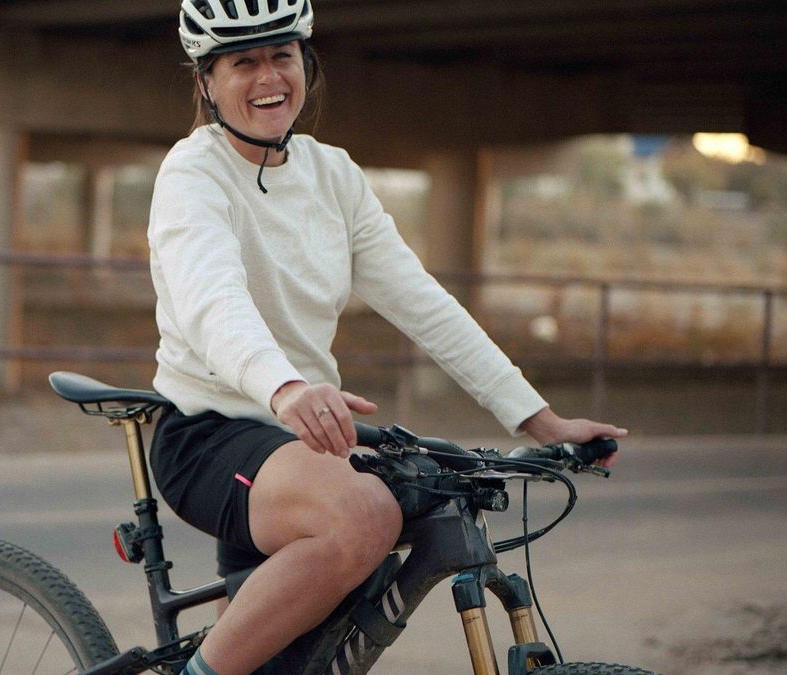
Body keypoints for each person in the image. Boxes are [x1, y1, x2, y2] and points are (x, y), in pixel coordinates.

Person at [147, 2, 628, 673]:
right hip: (212, 430)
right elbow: (212, 301)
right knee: (365, 515)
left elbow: (423, 302)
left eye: (282, 56)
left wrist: (538, 417)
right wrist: (283, 386)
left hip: (308, 434)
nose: (268, 77)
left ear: (305, 64)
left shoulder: (333, 175)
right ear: (206, 81)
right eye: (243, 62)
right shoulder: (192, 174)